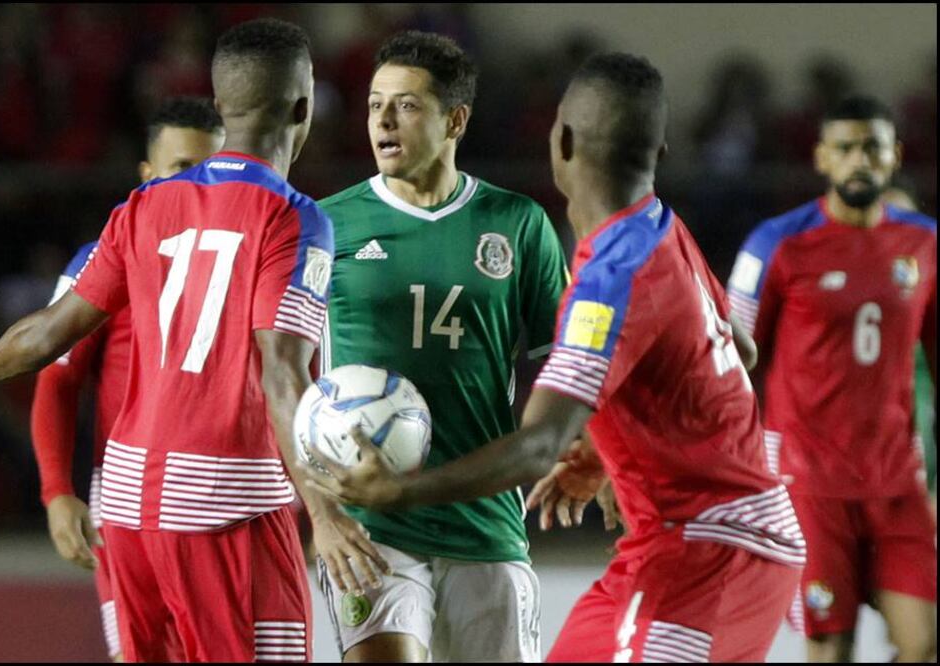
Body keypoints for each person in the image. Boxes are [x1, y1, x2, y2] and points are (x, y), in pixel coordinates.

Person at [0, 18, 381, 663]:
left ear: (223, 106)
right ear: (304, 104)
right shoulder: (293, 217)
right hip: (225, 505)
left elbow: (52, 327)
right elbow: (282, 372)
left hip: (127, 509)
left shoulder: (143, 206)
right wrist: (324, 510)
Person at [305, 52, 807, 663]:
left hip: (709, 546)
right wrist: (612, 448)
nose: (384, 119)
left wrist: (402, 493)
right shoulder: (662, 228)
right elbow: (740, 348)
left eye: (406, 104)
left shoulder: (605, 272)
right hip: (667, 542)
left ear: (560, 141)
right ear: (662, 151)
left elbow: (541, 444)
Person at [313, 31, 569, 663]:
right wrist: (322, 514)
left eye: (406, 105)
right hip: (372, 522)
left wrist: (593, 449)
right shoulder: (325, 224)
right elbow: (282, 377)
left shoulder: (517, 223)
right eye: (375, 105)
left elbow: (568, 371)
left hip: (484, 520)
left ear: (455, 119)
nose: (383, 121)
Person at [727, 96, 937, 662]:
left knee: (927, 642)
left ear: (895, 156)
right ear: (822, 157)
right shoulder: (776, 244)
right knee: (830, 650)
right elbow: (730, 365)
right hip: (809, 485)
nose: (860, 159)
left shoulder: (925, 243)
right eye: (845, 147)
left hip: (898, 482)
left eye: (874, 146)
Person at [29, 96, 224, 661]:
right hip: (127, 496)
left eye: (210, 169)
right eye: (180, 168)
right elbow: (57, 379)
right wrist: (56, 491)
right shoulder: (101, 259)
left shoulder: (251, 256)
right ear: (146, 176)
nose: (197, 185)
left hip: (226, 494)